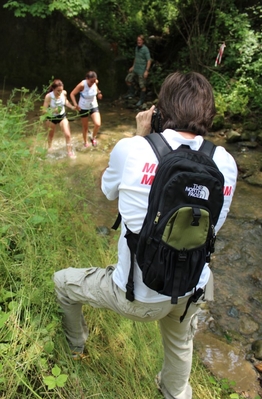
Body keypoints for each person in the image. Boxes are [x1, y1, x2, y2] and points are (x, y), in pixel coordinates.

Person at [53, 72, 238, 399]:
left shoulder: (133, 149)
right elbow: (212, 229)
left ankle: (76, 348)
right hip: (192, 287)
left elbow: (107, 191)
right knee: (181, 344)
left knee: (63, 283)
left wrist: (139, 135)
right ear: (208, 114)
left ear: (159, 110)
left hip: (137, 295)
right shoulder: (224, 162)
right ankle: (175, 393)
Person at [42, 79, 76, 158]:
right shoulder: (49, 96)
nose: (60, 92)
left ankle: (69, 152)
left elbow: (66, 101)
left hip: (62, 116)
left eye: (61, 90)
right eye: (58, 91)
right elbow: (43, 110)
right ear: (53, 89)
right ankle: (50, 147)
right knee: (51, 135)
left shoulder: (64, 93)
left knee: (68, 134)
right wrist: (54, 110)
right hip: (51, 117)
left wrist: (72, 107)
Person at [70, 71, 102, 148]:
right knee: (85, 127)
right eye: (91, 81)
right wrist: (75, 104)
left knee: (98, 124)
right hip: (83, 107)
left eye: (94, 81)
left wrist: (99, 93)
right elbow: (72, 94)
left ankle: (93, 137)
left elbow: (96, 87)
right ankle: (85, 142)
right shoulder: (82, 85)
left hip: (93, 105)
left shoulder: (95, 82)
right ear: (87, 79)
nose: (93, 83)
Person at [124, 35, 151, 107]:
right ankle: (131, 93)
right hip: (135, 68)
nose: (138, 41)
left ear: (143, 41)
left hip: (142, 70)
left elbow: (149, 60)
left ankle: (141, 100)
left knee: (142, 86)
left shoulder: (145, 49)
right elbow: (136, 57)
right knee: (128, 80)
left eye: (140, 40)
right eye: (138, 40)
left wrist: (146, 71)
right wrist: (133, 66)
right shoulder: (136, 48)